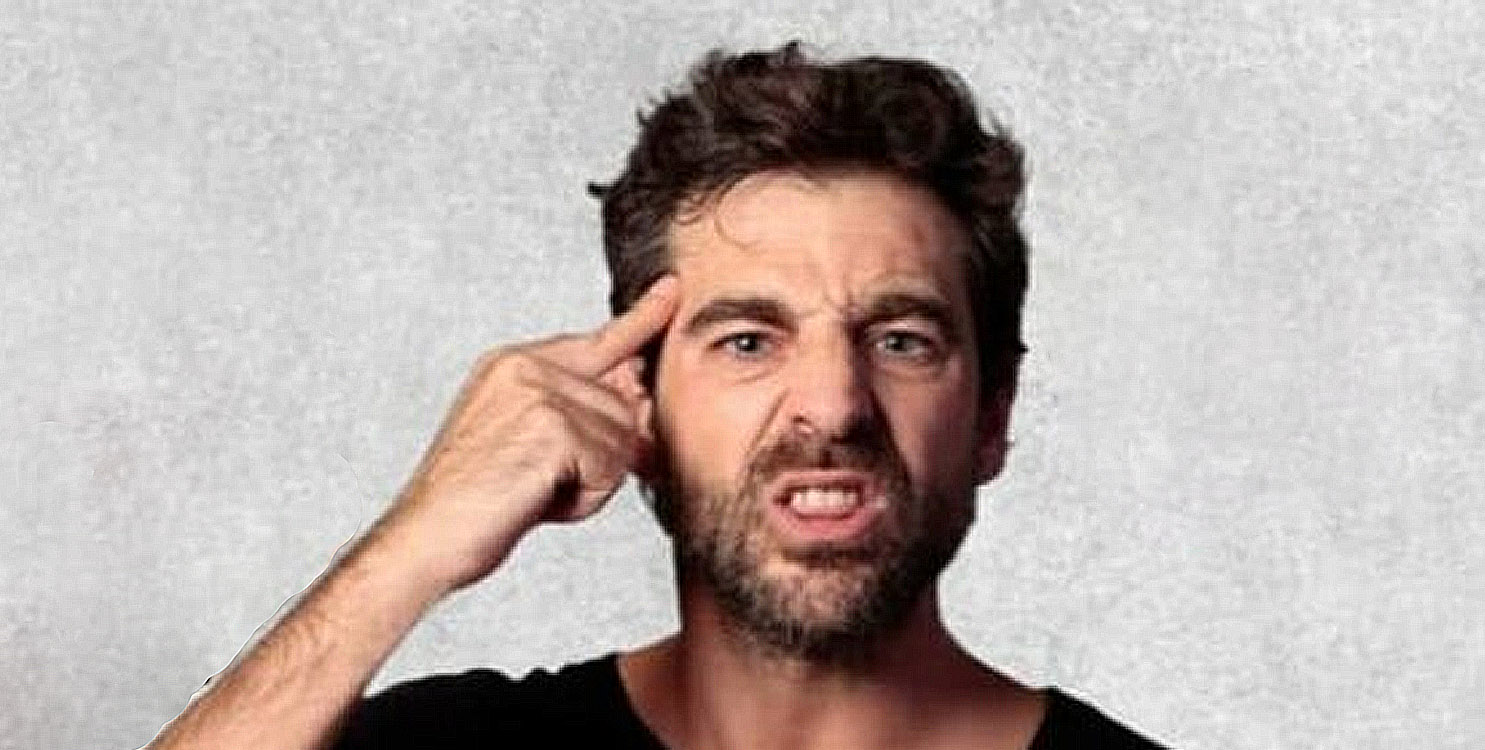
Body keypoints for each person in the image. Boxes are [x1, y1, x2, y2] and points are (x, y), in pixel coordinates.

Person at [148, 42, 1169, 750]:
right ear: (636, 405)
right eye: (747, 341)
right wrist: (410, 549)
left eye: (900, 341)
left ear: (991, 417)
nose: (831, 406)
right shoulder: (464, 749)